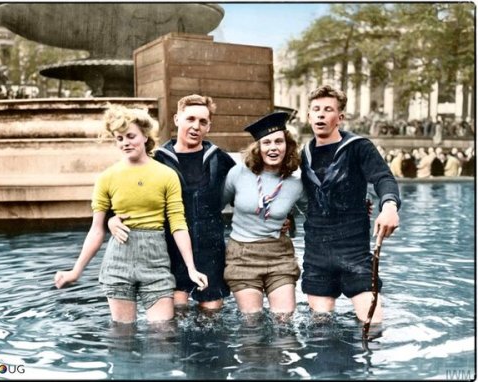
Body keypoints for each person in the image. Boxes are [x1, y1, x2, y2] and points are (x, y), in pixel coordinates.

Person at [54, 104, 207, 323]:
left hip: (156, 262)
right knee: (122, 337)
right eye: (119, 138)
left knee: (163, 334)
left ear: (145, 135)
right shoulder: (106, 178)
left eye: (130, 136)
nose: (125, 142)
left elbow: (178, 224)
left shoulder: (166, 175)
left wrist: (191, 268)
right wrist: (75, 271)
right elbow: (96, 230)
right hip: (118, 263)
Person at [108, 95, 235, 312]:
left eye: (202, 122)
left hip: (210, 251)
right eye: (190, 119)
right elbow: (123, 193)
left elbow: (247, 192)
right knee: (176, 316)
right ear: (177, 119)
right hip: (168, 252)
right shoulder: (156, 160)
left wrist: (281, 219)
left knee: (211, 315)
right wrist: (111, 219)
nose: (195, 126)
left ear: (209, 126)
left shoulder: (219, 159)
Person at [300, 85, 400, 324]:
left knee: (372, 325)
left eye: (328, 109)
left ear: (340, 117)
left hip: (353, 249)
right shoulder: (303, 153)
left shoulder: (358, 147)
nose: (321, 114)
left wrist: (389, 206)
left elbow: (383, 178)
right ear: (309, 116)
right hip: (317, 251)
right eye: (316, 110)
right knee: (320, 329)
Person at [223, 112, 303, 317]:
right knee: (252, 321)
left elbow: (316, 215)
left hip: (279, 255)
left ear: (288, 146)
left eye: (279, 141)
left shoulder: (297, 183)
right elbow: (213, 207)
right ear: (258, 148)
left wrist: (290, 222)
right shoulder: (238, 174)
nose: (273, 148)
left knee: (284, 320)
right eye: (266, 142)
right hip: (242, 255)